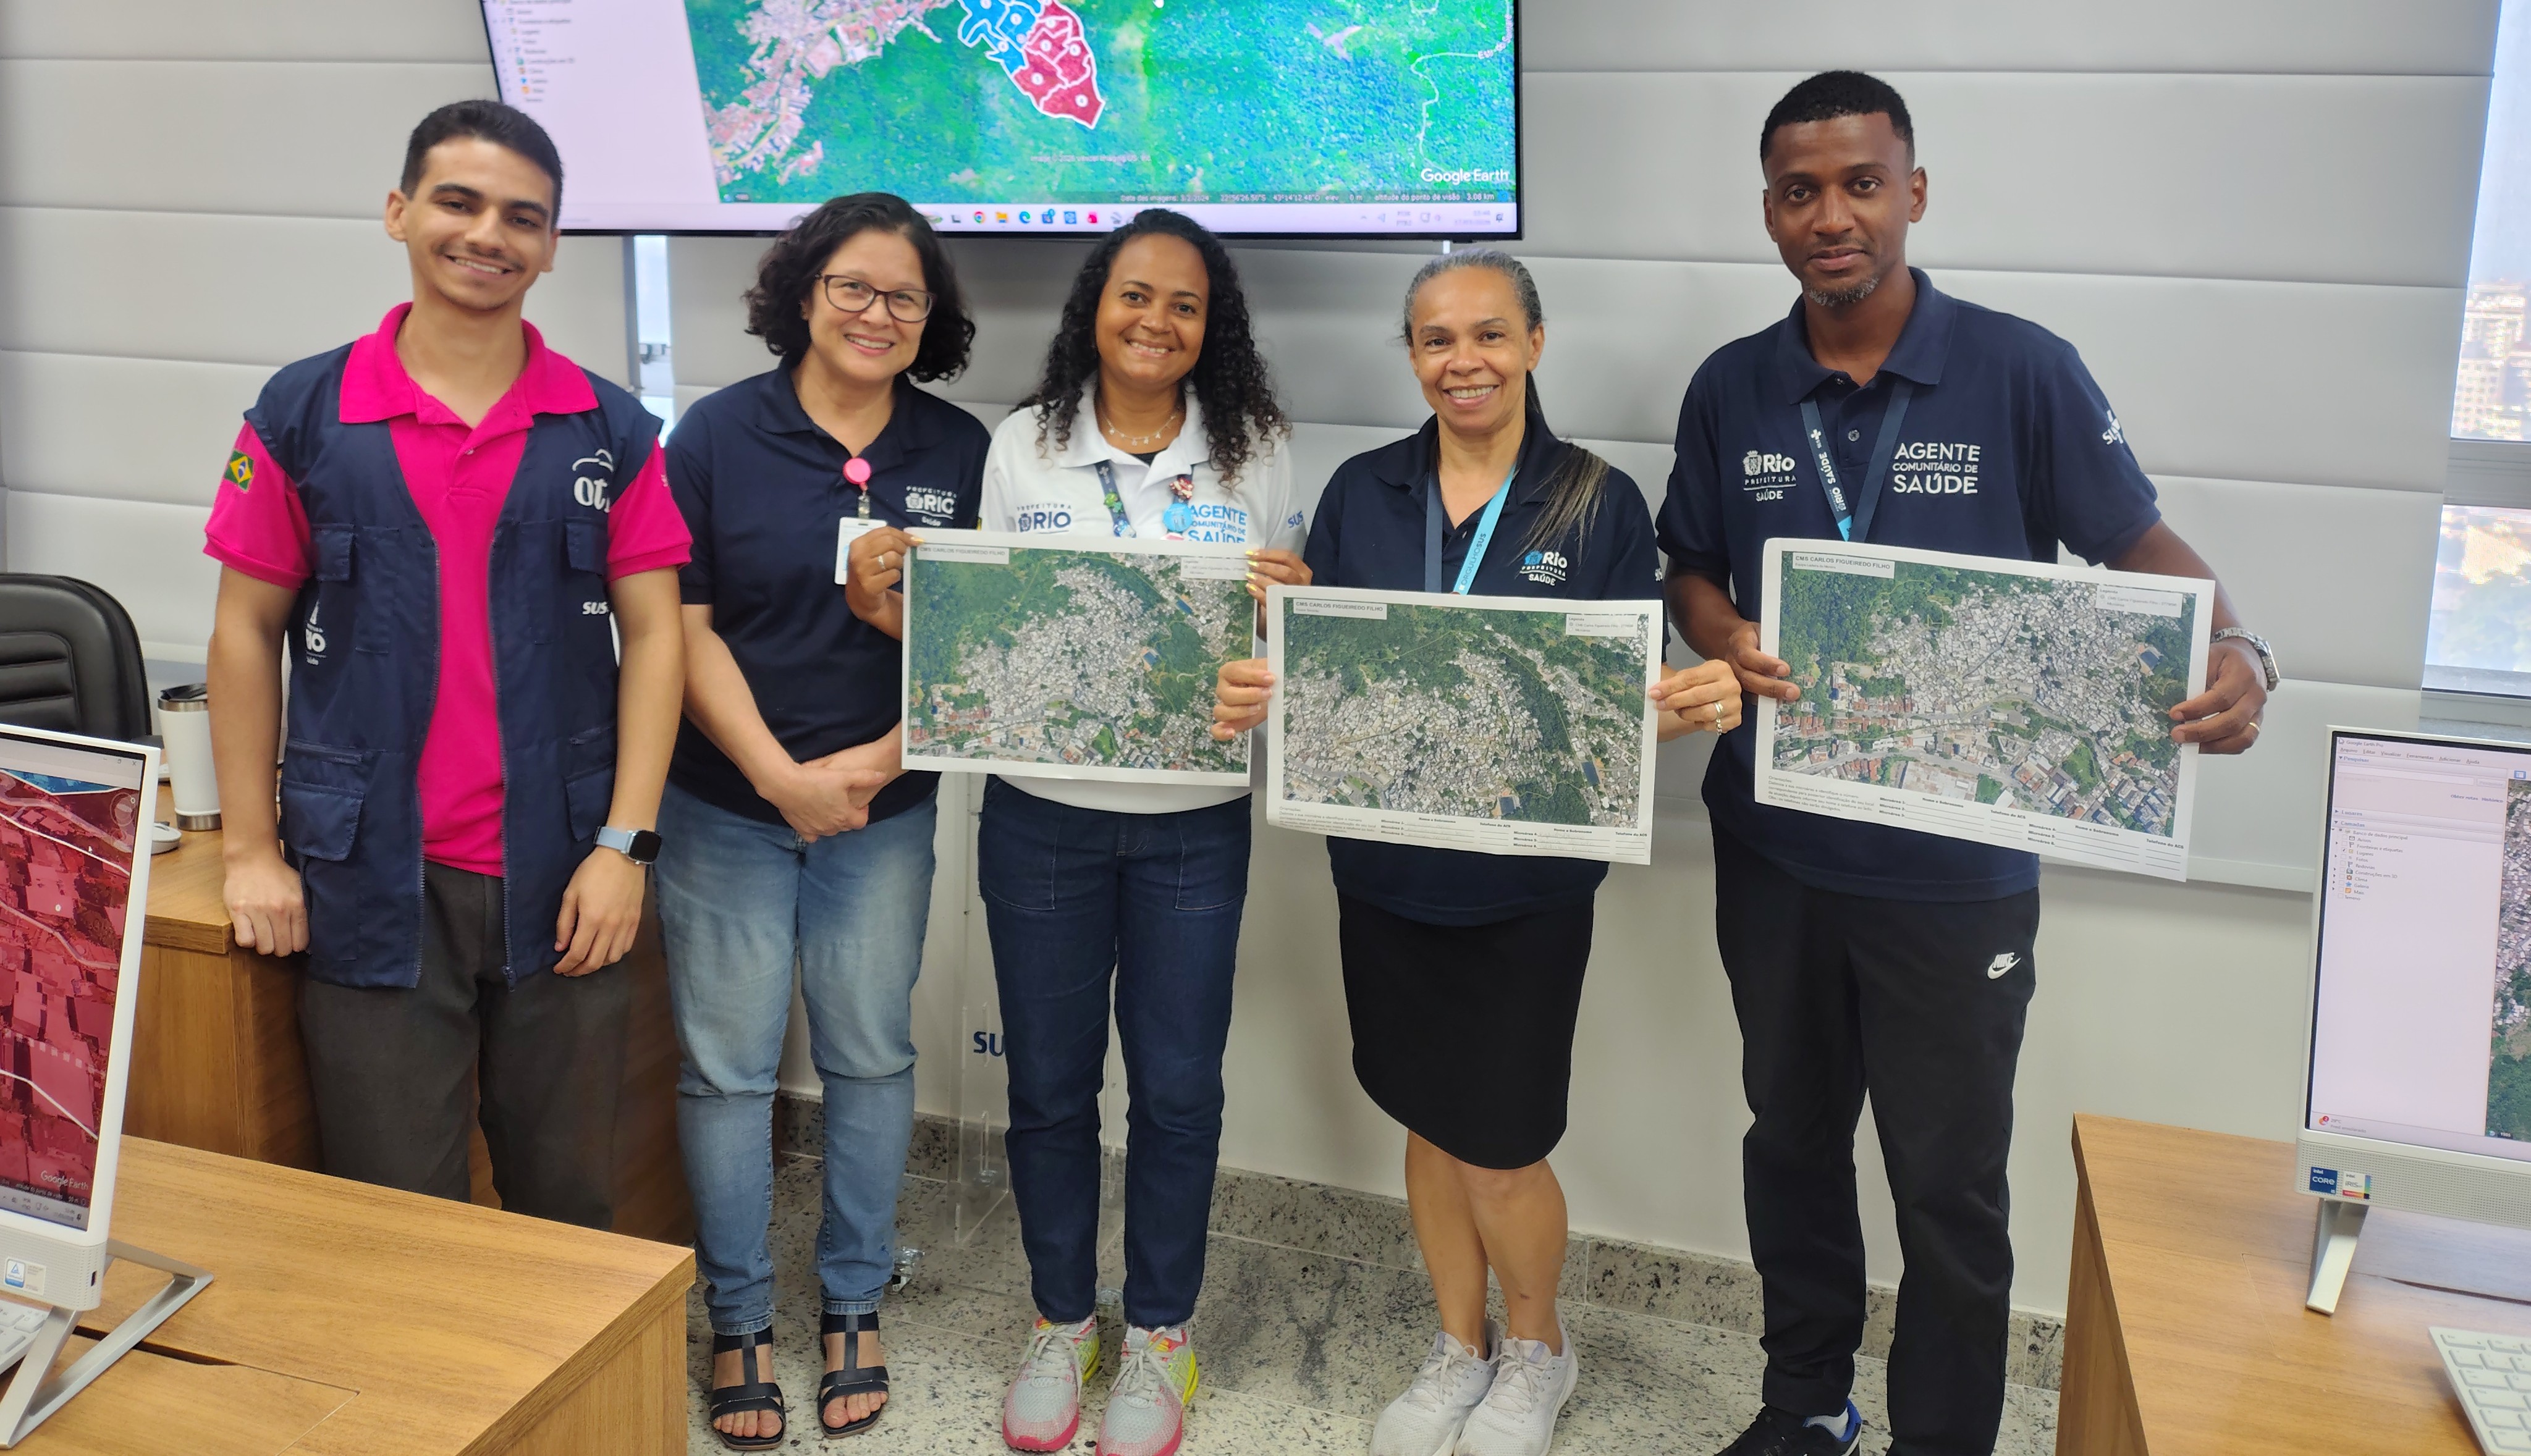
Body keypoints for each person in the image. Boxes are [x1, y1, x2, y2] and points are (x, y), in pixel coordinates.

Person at [1662, 73, 2275, 1456]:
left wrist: (2239, 646)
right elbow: (1688, 564)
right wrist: (1726, 631)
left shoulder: (2020, 369)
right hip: (1775, 846)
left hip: (1955, 869)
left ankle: (1941, 1437)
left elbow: (2139, 545)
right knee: (1789, 1139)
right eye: (1800, 192)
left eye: (1860, 184)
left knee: (1946, 1182)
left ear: (1914, 193)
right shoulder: (1730, 385)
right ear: (1770, 211)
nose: (1832, 216)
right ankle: (1805, 1401)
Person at [1212, 249, 1745, 1456]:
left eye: (1490, 334)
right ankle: (1460, 1343)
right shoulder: (1363, 490)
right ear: (1411, 356)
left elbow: (1615, 699)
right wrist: (1265, 663)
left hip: (1524, 885)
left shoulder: (1596, 502)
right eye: (1437, 339)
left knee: (1501, 1146)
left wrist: (1682, 704)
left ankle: (1538, 1348)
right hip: (1384, 871)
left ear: (1534, 344)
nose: (1465, 361)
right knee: (1425, 1115)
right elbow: (1332, 676)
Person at [203, 103, 688, 1226]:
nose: (487, 235)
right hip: (369, 876)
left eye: (522, 217)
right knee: (395, 1216)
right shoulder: (304, 414)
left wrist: (625, 845)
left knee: (569, 1202)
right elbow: (244, 631)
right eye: (458, 203)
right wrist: (250, 849)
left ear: (552, 244)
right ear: (399, 211)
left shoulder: (609, 429)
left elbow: (658, 635)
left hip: (564, 871)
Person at [656, 192, 989, 1448]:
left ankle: (854, 1297)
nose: (876, 313)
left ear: (930, 318)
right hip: (725, 802)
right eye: (853, 286)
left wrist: (874, 764)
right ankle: (737, 1317)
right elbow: (681, 627)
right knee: (728, 1072)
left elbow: (985, 647)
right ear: (804, 292)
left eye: (904, 296)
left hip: (883, 808)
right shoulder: (714, 434)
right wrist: (779, 777)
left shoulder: (961, 449)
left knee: (869, 1055)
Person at [979, 209, 1309, 1456]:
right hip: (1039, 819)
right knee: (1047, 1086)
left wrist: (1288, 619)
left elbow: (1276, 647)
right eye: (1134, 295)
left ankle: (1161, 1330)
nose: (1155, 321)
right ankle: (1062, 1319)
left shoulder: (1257, 452)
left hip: (1192, 827)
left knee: (1176, 1091)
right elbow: (986, 631)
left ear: (1210, 328)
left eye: (1184, 303)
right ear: (1094, 307)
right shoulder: (1022, 444)